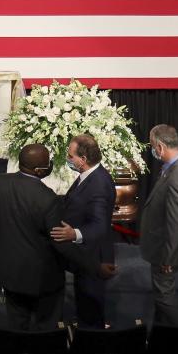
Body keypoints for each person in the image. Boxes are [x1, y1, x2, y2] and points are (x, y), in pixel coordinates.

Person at [0, 143, 106, 330]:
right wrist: (95, 267)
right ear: (39, 170)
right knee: (47, 330)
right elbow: (60, 243)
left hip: (9, 270)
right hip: (43, 278)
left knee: (16, 325)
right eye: (48, 163)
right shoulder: (47, 199)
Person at [50, 134, 117, 328]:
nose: (68, 159)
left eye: (70, 156)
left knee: (91, 304)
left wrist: (74, 234)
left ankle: (91, 341)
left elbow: (99, 225)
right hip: (85, 254)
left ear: (83, 159)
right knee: (84, 301)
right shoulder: (89, 176)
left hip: (93, 255)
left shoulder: (98, 184)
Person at [139, 124, 178, 325]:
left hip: (166, 250)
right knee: (161, 292)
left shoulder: (176, 177)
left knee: (164, 294)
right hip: (167, 245)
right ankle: (163, 333)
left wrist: (168, 259)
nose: (153, 150)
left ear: (160, 147)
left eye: (153, 146)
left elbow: (176, 222)